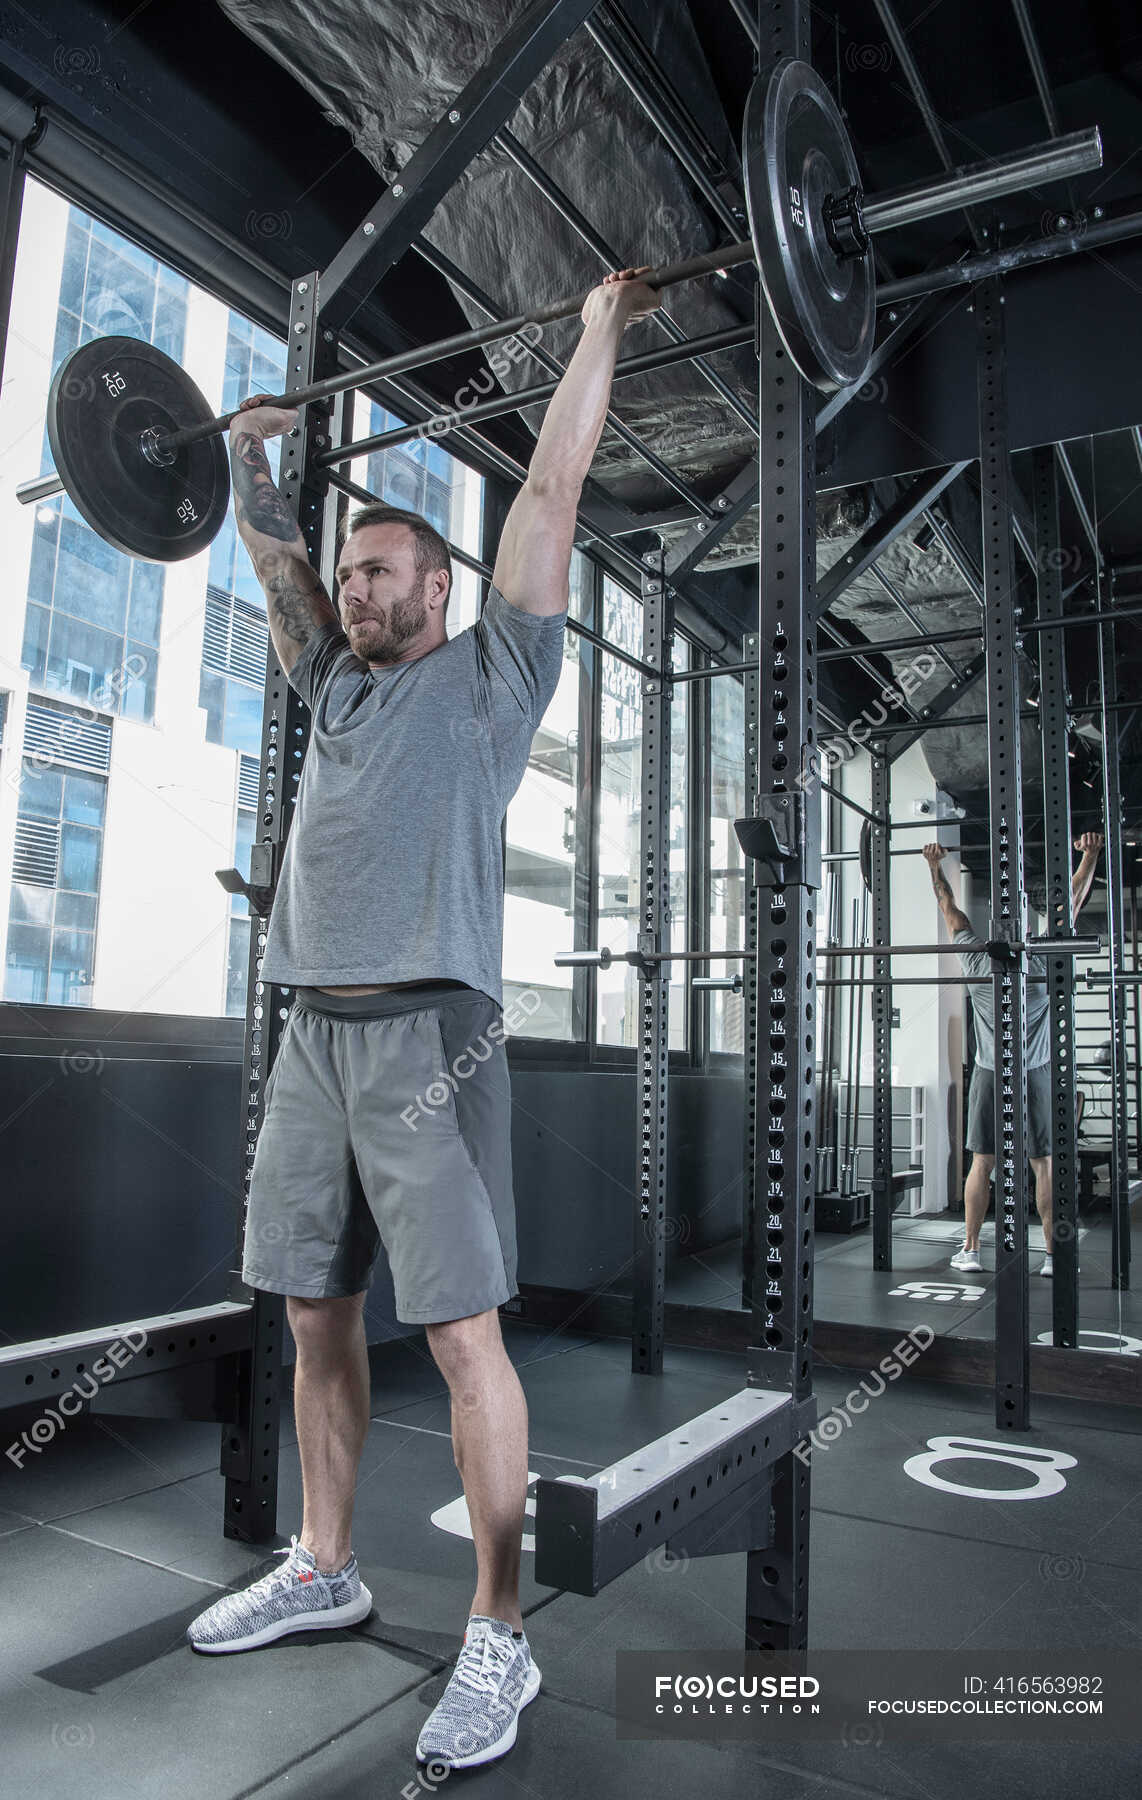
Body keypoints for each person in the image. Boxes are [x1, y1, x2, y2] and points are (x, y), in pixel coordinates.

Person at [185, 266, 660, 1771]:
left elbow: (553, 497)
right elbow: (270, 569)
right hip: (305, 1036)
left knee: (461, 1344)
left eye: (383, 571)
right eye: (354, 572)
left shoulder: (495, 674)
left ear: (438, 590)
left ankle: (498, 1637)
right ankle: (326, 1567)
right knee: (314, 1316)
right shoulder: (331, 686)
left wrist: (592, 335)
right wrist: (247, 455)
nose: (358, 587)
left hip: (426, 1039)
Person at [923, 834, 1103, 1278]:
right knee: (1042, 1162)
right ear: (1023, 927)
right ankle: (1050, 1253)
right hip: (1035, 1072)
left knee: (982, 1161)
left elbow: (947, 905)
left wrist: (934, 866)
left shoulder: (976, 960)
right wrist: (1092, 855)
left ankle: (970, 1249)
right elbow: (1072, 903)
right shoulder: (1040, 957)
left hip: (989, 1073)